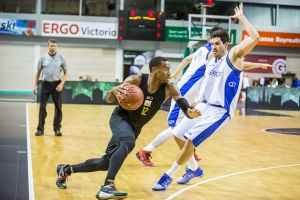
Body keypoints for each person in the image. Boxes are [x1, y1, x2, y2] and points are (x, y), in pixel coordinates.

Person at [55, 56, 201, 200]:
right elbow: (109, 99)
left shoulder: (170, 88)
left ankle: (65, 170)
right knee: (128, 142)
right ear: (155, 70)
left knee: (105, 163)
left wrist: (193, 113)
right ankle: (107, 187)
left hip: (136, 126)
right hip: (120, 118)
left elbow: (186, 111)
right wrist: (113, 90)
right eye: (167, 69)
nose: (170, 72)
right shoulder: (136, 80)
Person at [152, 4, 260, 191]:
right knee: (177, 133)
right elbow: (208, 82)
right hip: (204, 105)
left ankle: (168, 176)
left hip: (220, 111)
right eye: (212, 43)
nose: (214, 46)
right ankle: (194, 169)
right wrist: (201, 99)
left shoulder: (234, 55)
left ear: (226, 44)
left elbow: (255, 37)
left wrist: (241, 18)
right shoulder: (210, 58)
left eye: (218, 44)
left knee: (190, 141)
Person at [136, 41, 213, 166]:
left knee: (192, 122)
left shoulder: (202, 50)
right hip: (184, 91)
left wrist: (176, 74)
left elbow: (186, 60)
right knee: (175, 128)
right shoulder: (212, 52)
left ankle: (189, 150)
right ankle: (145, 151)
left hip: (192, 91)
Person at [34, 39, 68, 136]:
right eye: (51, 46)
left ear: (56, 47)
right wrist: (35, 86)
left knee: (58, 107)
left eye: (54, 46)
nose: (53, 47)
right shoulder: (42, 58)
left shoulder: (61, 57)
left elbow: (66, 73)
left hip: (57, 85)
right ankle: (40, 129)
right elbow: (38, 73)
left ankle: (57, 129)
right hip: (45, 84)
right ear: (48, 46)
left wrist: (61, 84)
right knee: (42, 107)